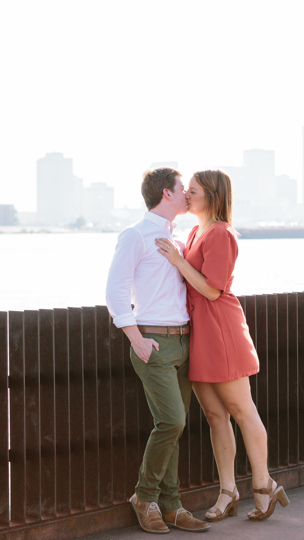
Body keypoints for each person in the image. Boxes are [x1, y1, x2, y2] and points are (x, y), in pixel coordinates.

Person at [156, 169, 290, 523]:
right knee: (216, 416)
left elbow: (214, 289)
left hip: (221, 330)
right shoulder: (196, 230)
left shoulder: (221, 233)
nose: (187, 196)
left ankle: (263, 486)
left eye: (194, 191)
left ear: (212, 196)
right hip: (199, 332)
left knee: (242, 411)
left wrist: (178, 260)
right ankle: (228, 491)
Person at [106, 167, 211, 534]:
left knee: (173, 428)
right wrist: (137, 339)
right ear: (167, 193)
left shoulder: (177, 239)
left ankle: (172, 505)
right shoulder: (135, 235)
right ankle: (144, 496)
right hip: (153, 342)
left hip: (183, 340)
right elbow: (115, 292)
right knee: (173, 422)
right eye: (184, 189)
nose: (188, 194)